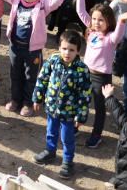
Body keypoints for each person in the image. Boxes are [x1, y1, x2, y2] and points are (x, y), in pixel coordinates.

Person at [0, 0, 82, 117]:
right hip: (15, 46)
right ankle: (15, 99)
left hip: (33, 50)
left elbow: (57, 0)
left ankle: (28, 102)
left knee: (31, 77)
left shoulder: (43, 6)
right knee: (15, 74)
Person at [31, 29, 92, 180]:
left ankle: (67, 161)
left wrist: (81, 115)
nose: (67, 53)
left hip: (69, 113)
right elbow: (42, 79)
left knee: (67, 138)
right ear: (59, 48)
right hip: (52, 108)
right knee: (51, 132)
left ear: (78, 51)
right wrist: (38, 98)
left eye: (71, 50)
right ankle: (50, 152)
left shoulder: (82, 70)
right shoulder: (52, 61)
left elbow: (85, 94)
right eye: (64, 48)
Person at [76, 0, 127, 149]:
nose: (96, 22)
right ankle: (77, 124)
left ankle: (96, 135)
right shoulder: (92, 32)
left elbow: (118, 35)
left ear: (109, 21)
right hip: (85, 74)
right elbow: (81, 12)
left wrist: (121, 21)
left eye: (101, 20)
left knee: (100, 109)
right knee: (81, 102)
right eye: (94, 19)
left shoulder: (110, 39)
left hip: (101, 79)